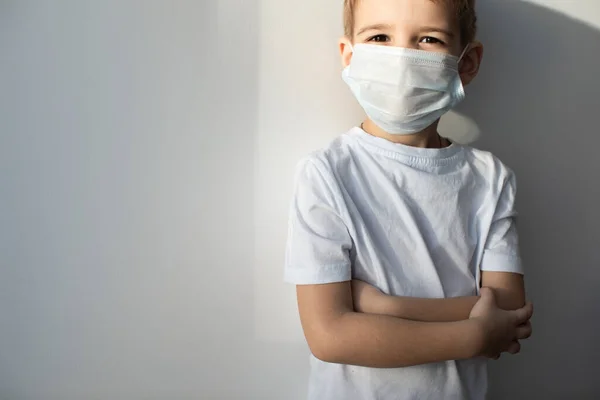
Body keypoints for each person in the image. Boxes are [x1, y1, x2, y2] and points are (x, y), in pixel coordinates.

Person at [283, 0, 534, 399]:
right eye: (379, 37)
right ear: (350, 56)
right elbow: (330, 336)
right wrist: (472, 336)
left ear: (466, 63)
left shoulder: (490, 179)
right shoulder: (326, 174)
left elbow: (509, 311)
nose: (401, 57)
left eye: (429, 39)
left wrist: (382, 306)